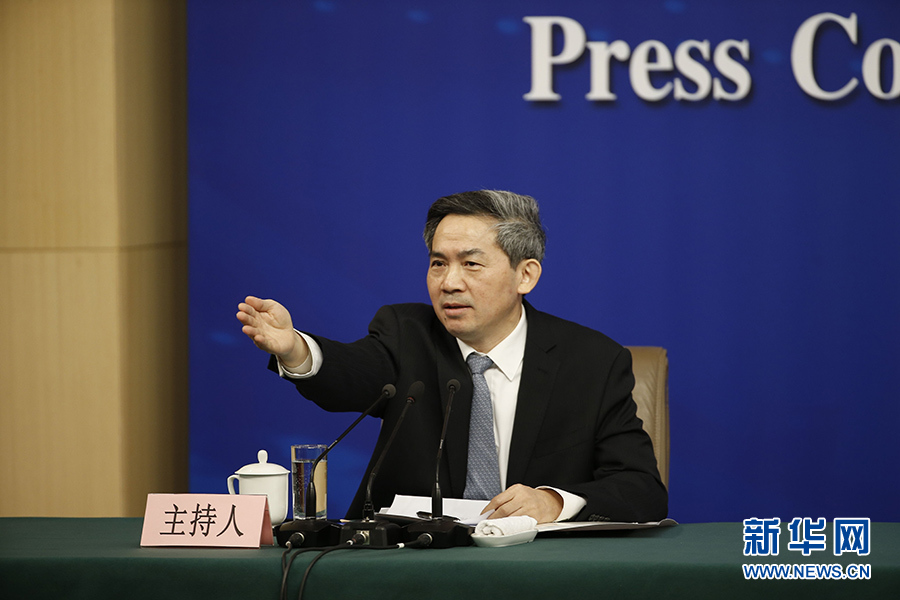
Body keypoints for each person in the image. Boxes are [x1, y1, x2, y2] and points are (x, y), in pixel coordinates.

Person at [237, 190, 667, 524]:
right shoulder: (407, 334)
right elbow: (350, 373)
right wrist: (295, 348)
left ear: (525, 275)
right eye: (438, 263)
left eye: (471, 264)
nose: (449, 283)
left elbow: (641, 488)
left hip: (537, 569)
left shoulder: (592, 361)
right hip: (410, 568)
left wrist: (554, 502)